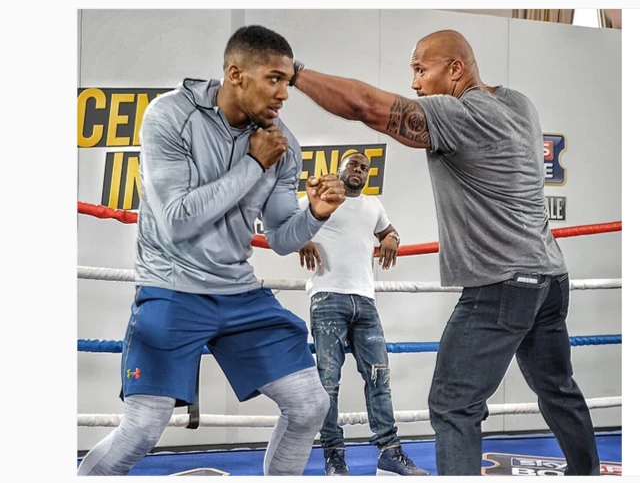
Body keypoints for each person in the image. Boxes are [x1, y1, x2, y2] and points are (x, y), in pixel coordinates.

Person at [286, 29, 600, 476]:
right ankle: (586, 473)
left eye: (420, 69)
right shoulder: (518, 103)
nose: (415, 83)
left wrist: (296, 74)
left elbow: (368, 108)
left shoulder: (462, 113)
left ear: (456, 69)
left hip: (501, 284)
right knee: (557, 387)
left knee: (453, 405)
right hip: (549, 278)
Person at [77, 25, 348, 476]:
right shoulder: (170, 117)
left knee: (308, 405)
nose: (284, 93)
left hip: (237, 291)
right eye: (274, 79)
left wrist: (315, 214)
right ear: (236, 74)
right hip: (171, 287)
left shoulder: (284, 144)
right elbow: (178, 220)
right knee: (144, 427)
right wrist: (253, 163)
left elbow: (282, 237)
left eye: (288, 82)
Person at [297, 152, 430, 476]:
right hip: (328, 297)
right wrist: (303, 237)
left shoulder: (373, 205)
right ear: (339, 169)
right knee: (328, 382)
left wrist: (392, 238)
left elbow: (388, 231)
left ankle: (390, 452)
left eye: (364, 168)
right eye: (353, 165)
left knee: (379, 378)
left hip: (365, 302)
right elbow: (284, 226)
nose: (359, 170)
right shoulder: (315, 197)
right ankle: (334, 456)